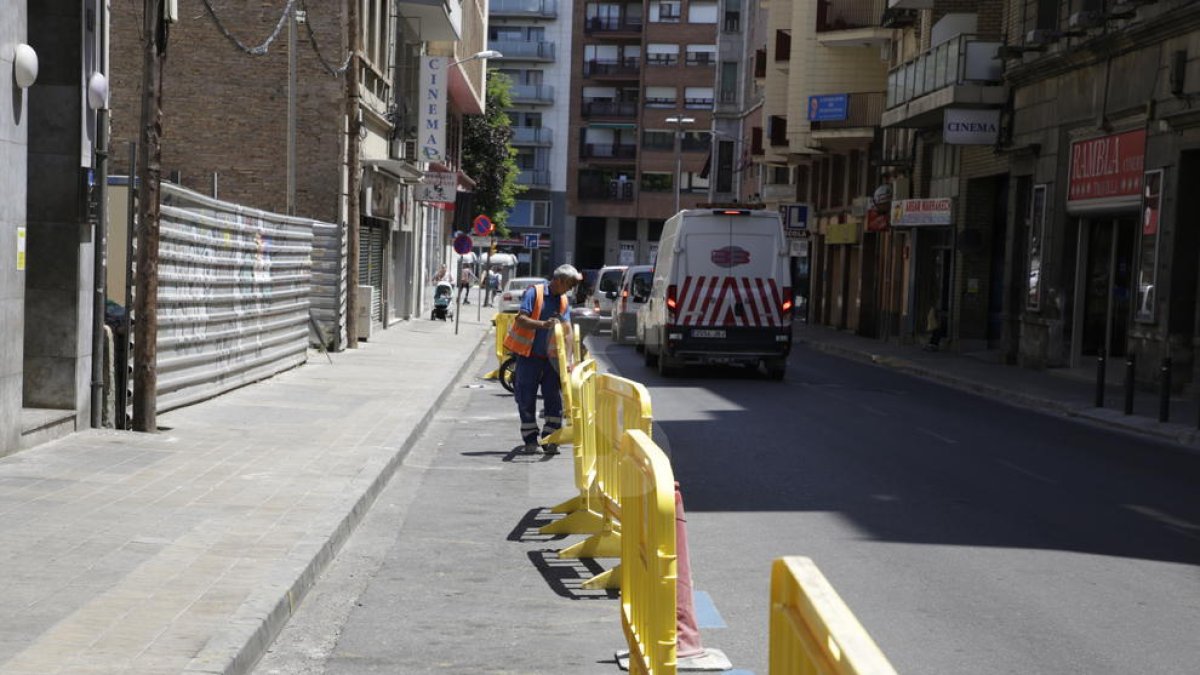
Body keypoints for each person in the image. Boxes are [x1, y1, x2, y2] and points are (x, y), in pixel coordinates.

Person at [504, 264, 582, 454]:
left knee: (554, 400)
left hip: (551, 360)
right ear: (560, 280)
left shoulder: (563, 300)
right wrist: (543, 324)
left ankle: (550, 439)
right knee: (526, 398)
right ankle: (530, 439)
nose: (570, 289)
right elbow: (521, 319)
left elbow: (568, 330)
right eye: (570, 284)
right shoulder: (535, 293)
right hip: (529, 357)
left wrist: (568, 360)